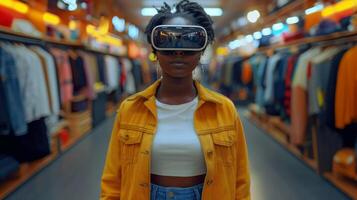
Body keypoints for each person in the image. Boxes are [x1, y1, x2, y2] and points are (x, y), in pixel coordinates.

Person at [100, 0, 251, 199]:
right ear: (155, 50)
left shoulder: (225, 110)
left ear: (202, 50)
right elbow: (112, 182)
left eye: (189, 42)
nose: (179, 52)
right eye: (168, 43)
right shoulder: (130, 109)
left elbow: (240, 181)